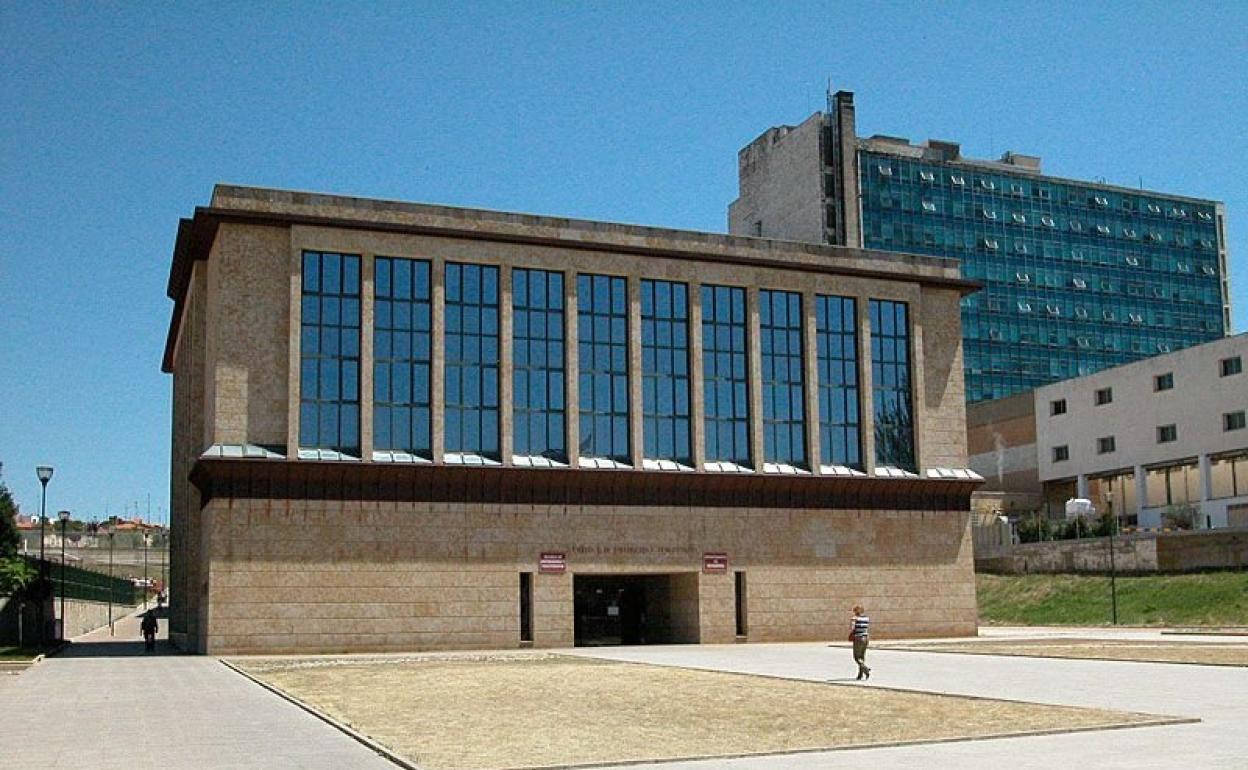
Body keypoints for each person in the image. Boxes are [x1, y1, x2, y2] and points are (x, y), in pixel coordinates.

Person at [849, 604, 871, 680]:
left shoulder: (854, 619)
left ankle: (865, 669)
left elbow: (852, 628)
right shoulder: (867, 618)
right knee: (862, 656)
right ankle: (860, 675)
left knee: (856, 657)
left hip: (858, 638)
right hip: (866, 638)